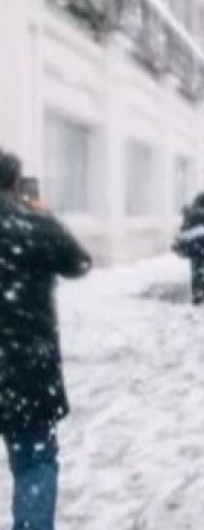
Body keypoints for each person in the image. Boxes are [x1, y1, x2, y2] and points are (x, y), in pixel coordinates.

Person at [0, 148, 91, 530]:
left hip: (22, 364)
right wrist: (41, 215)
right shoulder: (32, 226)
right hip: (26, 366)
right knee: (34, 461)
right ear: (17, 183)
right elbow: (79, 261)